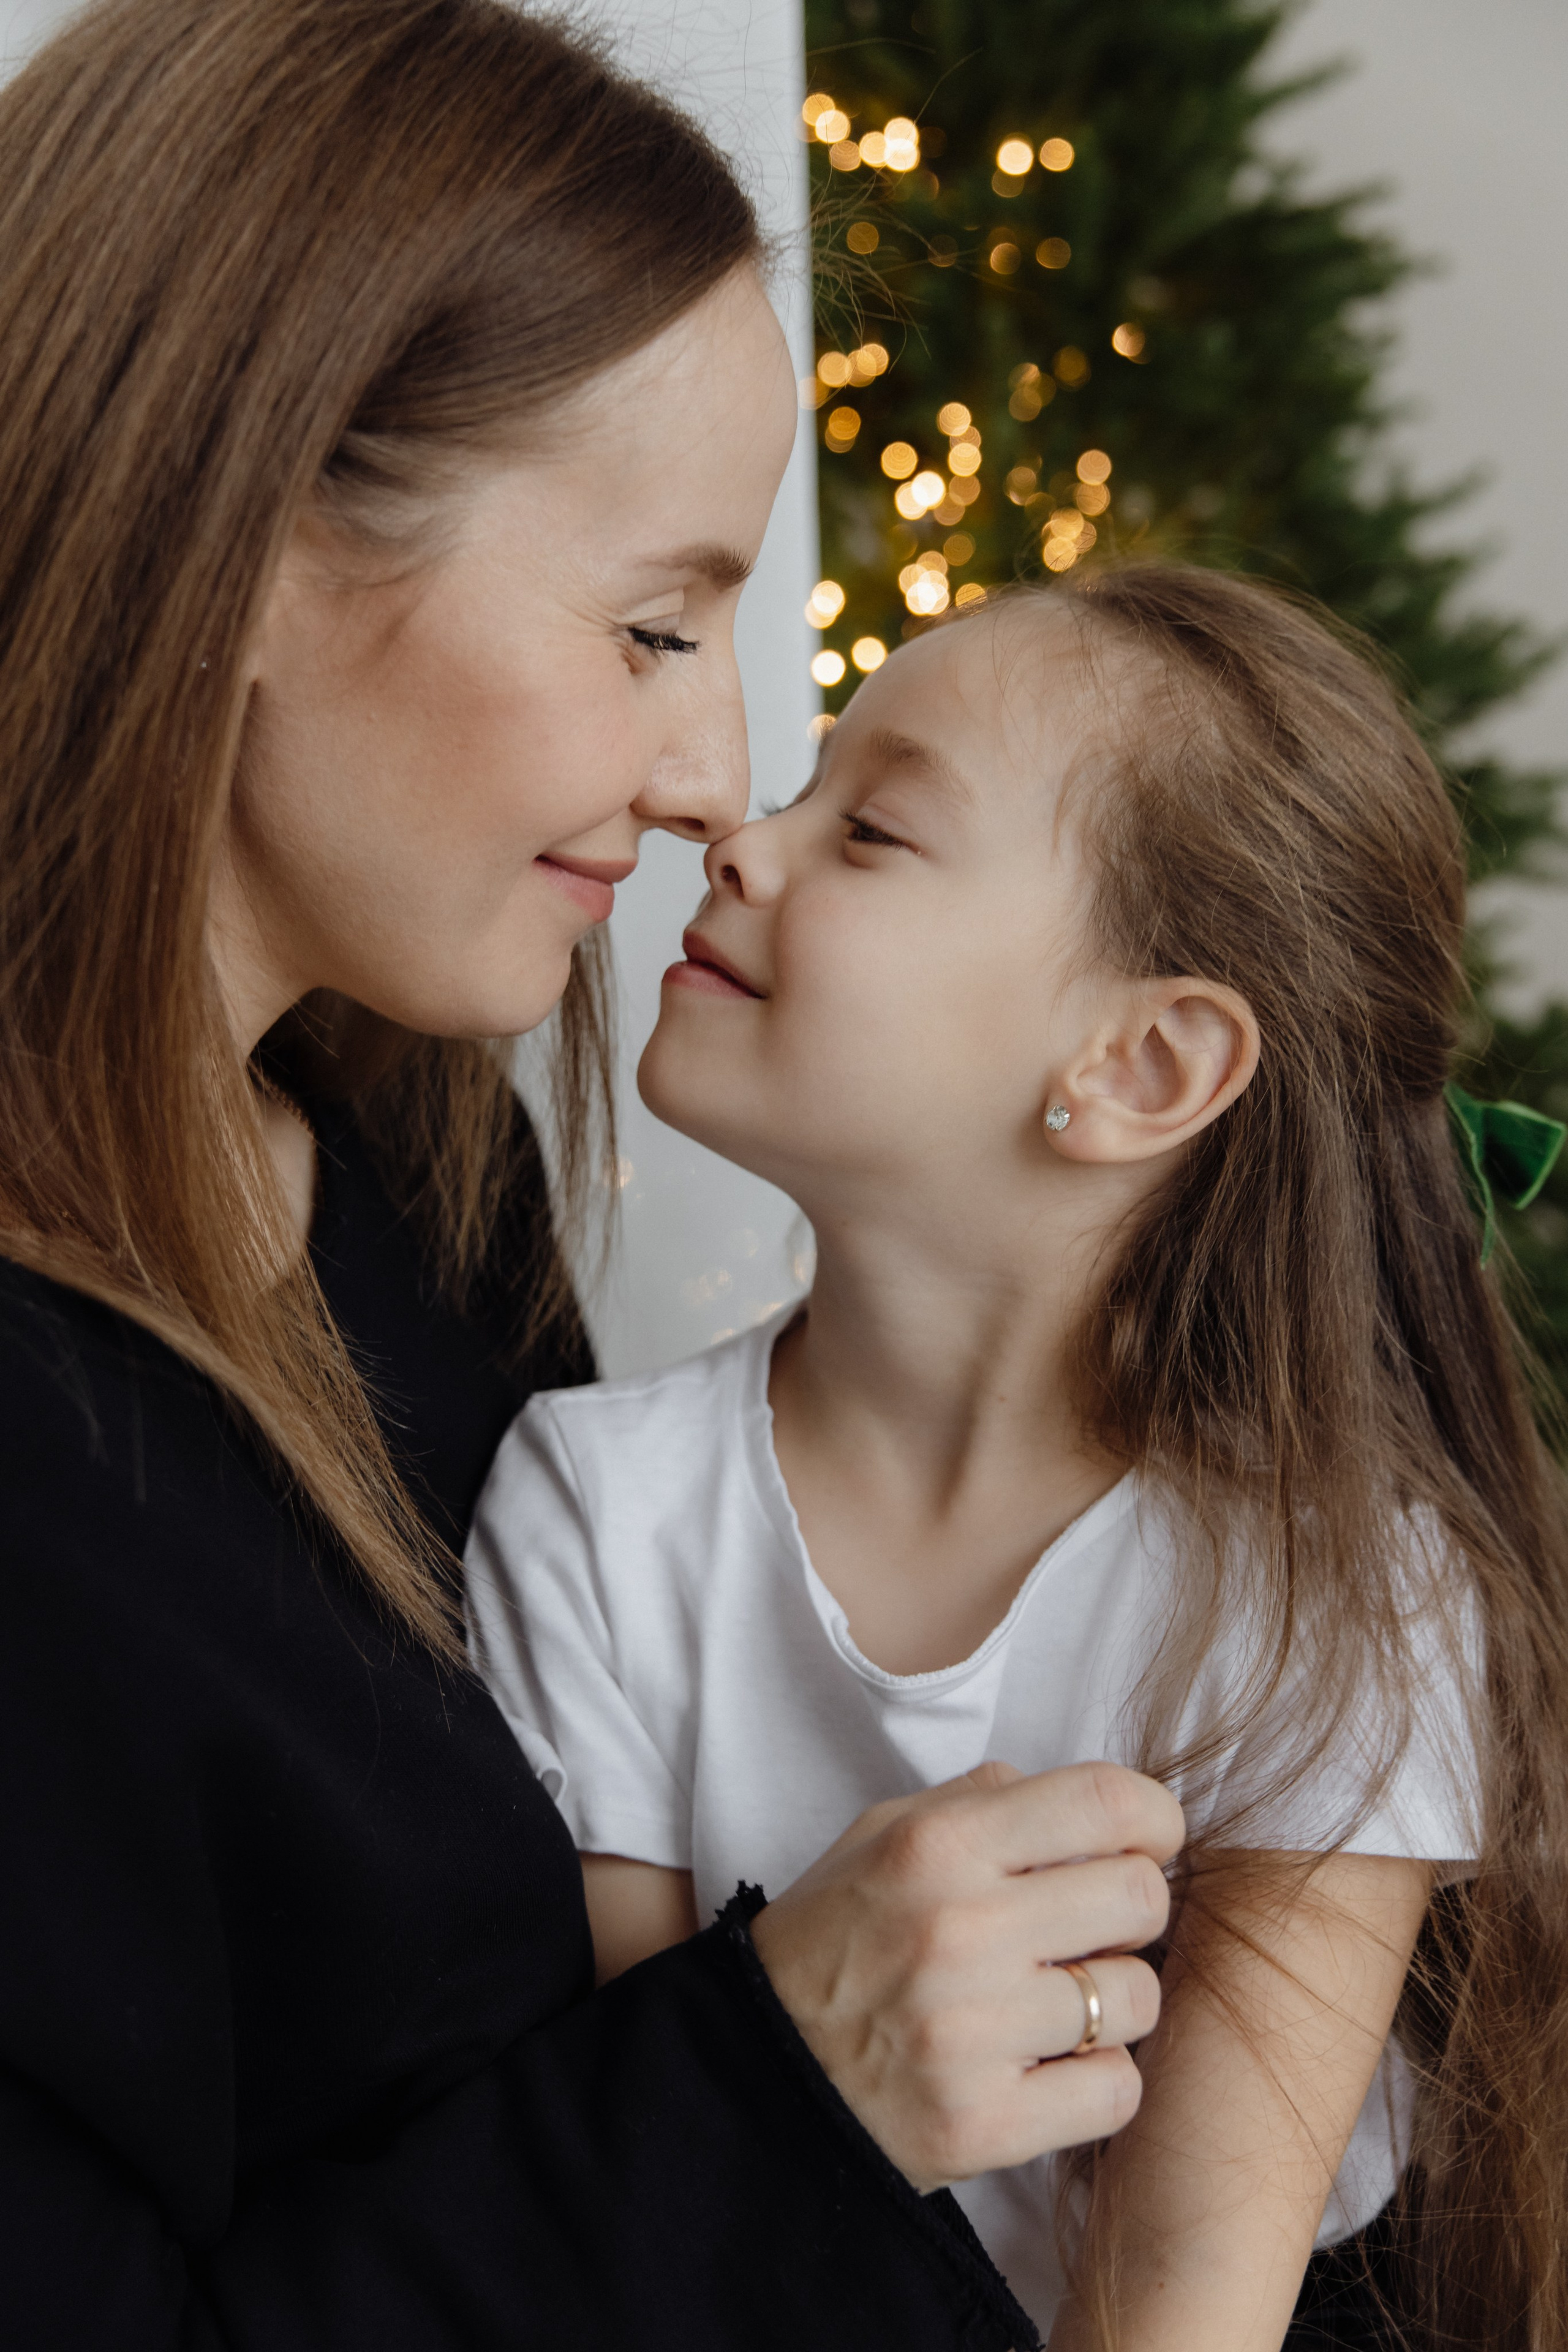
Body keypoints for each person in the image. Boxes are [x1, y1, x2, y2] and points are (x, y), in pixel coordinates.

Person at [0, 3, 1183, 2345]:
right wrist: (789, 2079)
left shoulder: (413, 1170)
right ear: (233, 536)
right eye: (652, 624)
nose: (710, 775)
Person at [467, 564, 1568, 2350]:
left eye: (875, 831)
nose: (743, 841)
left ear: (1140, 1064)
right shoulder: (595, 1512)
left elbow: (1178, 2309)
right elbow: (676, 2177)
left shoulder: (1338, 1596)